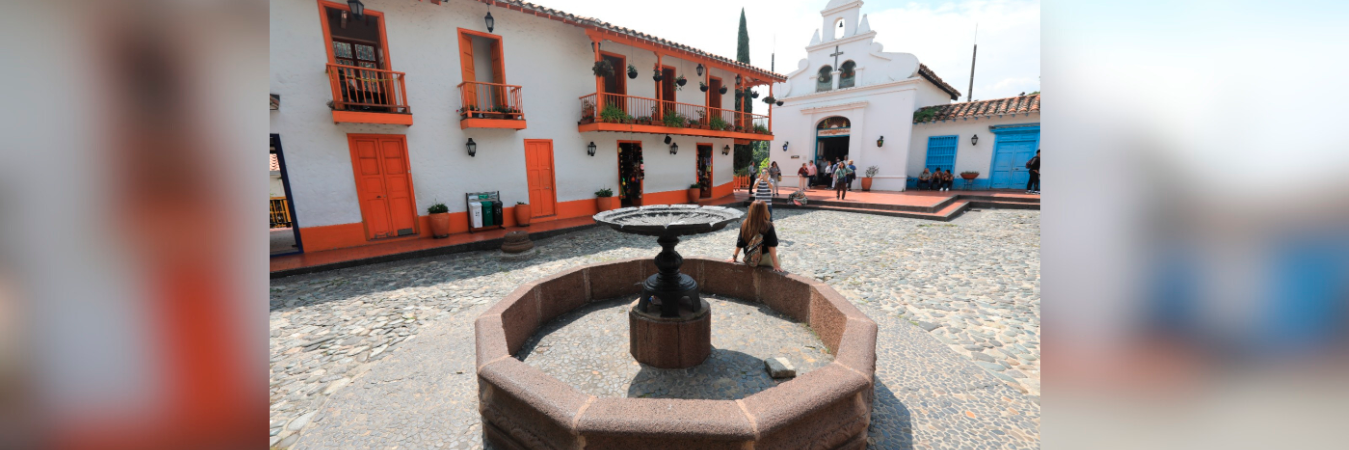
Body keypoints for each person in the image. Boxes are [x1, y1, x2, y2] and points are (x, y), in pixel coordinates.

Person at [729, 200, 783, 272]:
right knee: (778, 255)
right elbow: (771, 246)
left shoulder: (745, 224)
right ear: (765, 211)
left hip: (749, 258)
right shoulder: (768, 226)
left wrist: (734, 257)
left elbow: (739, 243)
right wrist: (776, 265)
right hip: (762, 260)